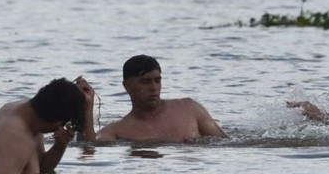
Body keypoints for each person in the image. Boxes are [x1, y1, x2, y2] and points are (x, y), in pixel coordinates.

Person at [79, 55, 226, 143]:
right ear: (127, 86)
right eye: (145, 81)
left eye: (157, 80)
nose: (153, 87)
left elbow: (225, 143)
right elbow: (89, 147)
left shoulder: (190, 109)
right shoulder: (117, 130)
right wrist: (86, 106)